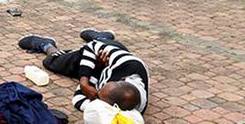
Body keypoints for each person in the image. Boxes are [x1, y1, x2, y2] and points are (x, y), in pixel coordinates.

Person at [18, 30, 148, 113]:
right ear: (120, 80)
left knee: (82, 70)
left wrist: (97, 69)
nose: (96, 91)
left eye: (97, 96)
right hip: (105, 49)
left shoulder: (134, 107)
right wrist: (84, 82)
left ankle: (100, 37)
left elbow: (78, 100)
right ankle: (47, 45)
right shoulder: (126, 62)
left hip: (100, 66)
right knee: (51, 62)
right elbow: (90, 48)